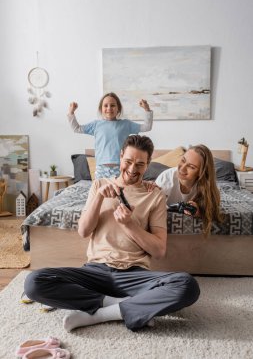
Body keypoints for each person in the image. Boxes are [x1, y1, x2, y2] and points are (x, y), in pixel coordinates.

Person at [24, 135, 200, 332]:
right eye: (129, 161)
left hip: (134, 275)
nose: (133, 169)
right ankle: (127, 307)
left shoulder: (155, 195)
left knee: (187, 285)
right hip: (95, 271)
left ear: (148, 164)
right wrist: (99, 197)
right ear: (121, 156)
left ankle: (101, 313)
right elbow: (83, 231)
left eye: (140, 164)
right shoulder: (99, 185)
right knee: (33, 283)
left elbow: (159, 251)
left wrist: (129, 225)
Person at [67, 92, 153, 178]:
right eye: (106, 105)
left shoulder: (126, 124)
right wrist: (71, 112)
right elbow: (77, 128)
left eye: (112, 105)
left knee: (120, 191)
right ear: (101, 109)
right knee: (100, 191)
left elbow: (147, 127)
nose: (109, 108)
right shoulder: (96, 125)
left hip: (121, 167)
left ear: (118, 108)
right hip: (101, 168)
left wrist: (147, 110)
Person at [156, 144, 223, 237]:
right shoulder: (165, 178)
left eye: (191, 167)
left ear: (201, 173)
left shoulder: (207, 188)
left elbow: (213, 211)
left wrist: (199, 212)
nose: (182, 168)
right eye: (183, 160)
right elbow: (153, 209)